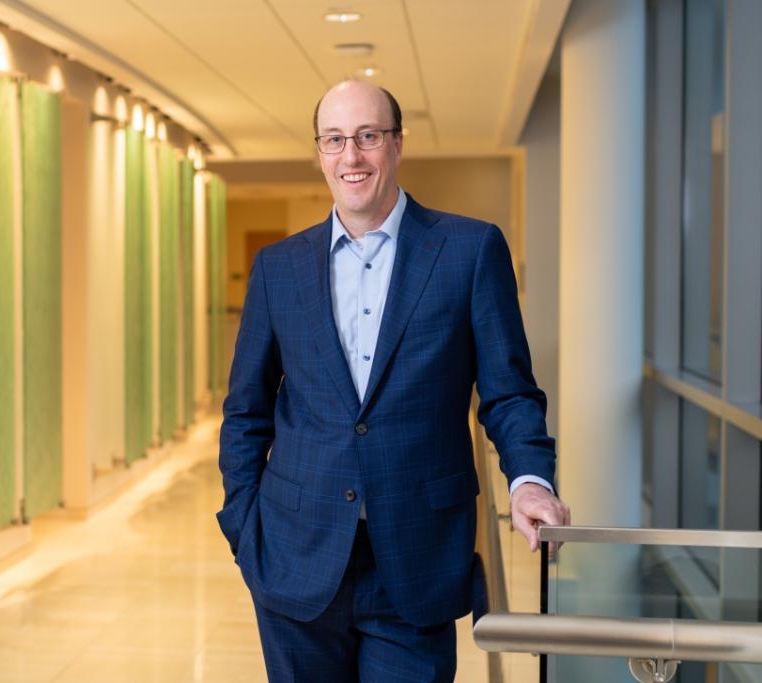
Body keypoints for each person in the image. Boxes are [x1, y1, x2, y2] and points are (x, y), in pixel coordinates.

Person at [216, 80, 570, 682]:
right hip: (295, 556)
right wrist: (244, 526)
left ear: (397, 144)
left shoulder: (468, 250)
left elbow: (508, 392)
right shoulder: (278, 268)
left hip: (418, 556)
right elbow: (246, 413)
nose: (350, 156)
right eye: (334, 139)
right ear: (320, 152)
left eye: (367, 137)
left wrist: (529, 481)